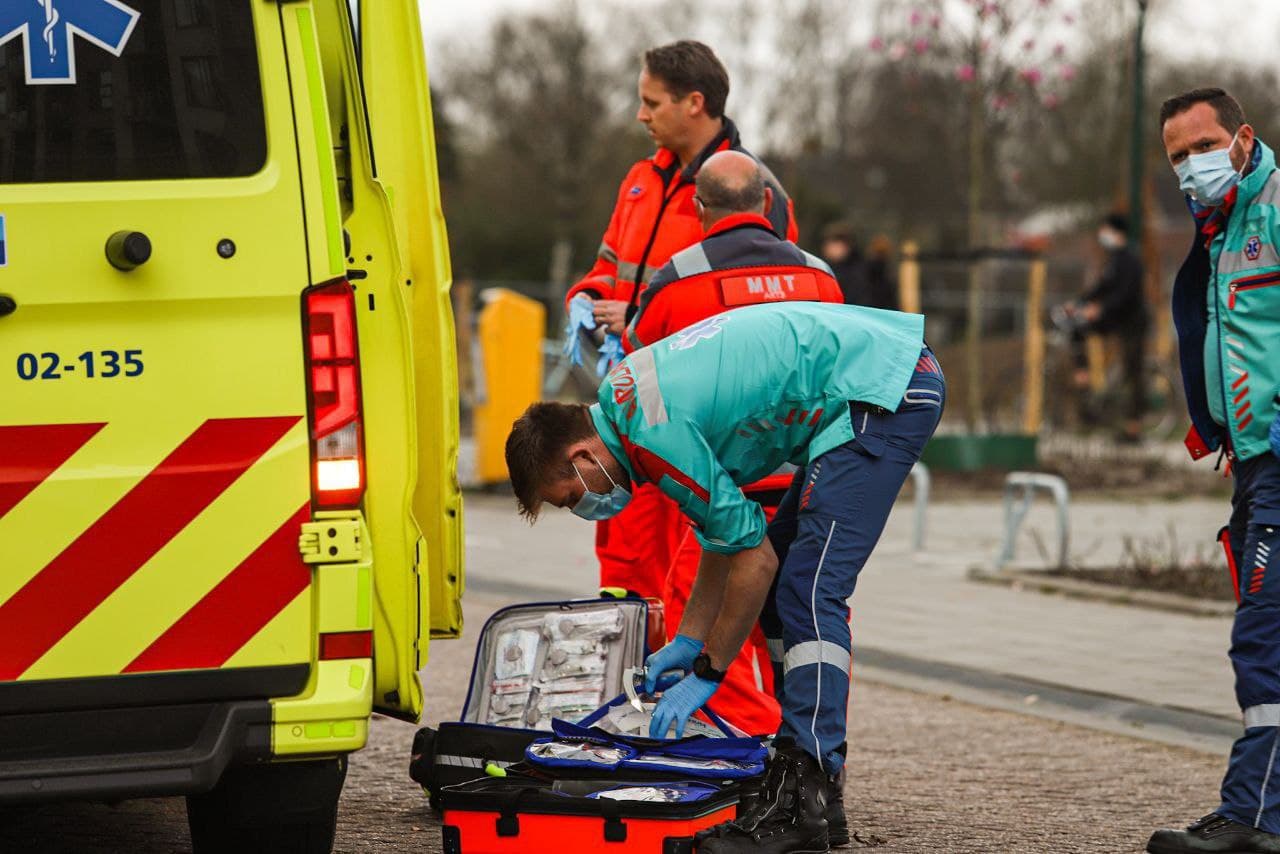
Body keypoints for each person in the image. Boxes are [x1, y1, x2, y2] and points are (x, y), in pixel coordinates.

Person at [506, 303, 944, 853]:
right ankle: (814, 792)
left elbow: (752, 562)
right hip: (867, 384)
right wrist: (689, 641)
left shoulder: (652, 434)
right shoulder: (630, 407)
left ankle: (804, 793)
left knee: (807, 590)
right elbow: (724, 534)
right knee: (786, 594)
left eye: (572, 498)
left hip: (884, 390)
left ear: (582, 456)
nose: (585, 508)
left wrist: (709, 671)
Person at [563, 40, 798, 603]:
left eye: (652, 103)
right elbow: (610, 264)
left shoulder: (749, 192)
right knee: (624, 561)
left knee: (688, 570)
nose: (641, 115)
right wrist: (587, 298)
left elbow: (759, 310)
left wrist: (640, 315)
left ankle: (683, 680)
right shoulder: (640, 180)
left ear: (694, 103)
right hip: (629, 404)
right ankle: (633, 675)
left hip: (698, 417)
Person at [621, 150, 843, 741]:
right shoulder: (819, 276)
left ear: (697, 210)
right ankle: (809, 756)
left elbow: (641, 380)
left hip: (726, 492)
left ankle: (743, 759)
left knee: (715, 624)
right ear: (767, 203)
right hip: (809, 488)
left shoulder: (675, 280)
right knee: (806, 630)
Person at [1146, 88, 1280, 854]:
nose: (1190, 166)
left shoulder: (1272, 208)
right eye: (1176, 157)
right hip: (1254, 463)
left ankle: (1254, 819)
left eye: (1202, 146)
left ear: (1242, 138)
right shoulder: (1221, 227)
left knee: (1265, 636)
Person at [1059, 213, 1150, 442]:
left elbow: (1124, 294)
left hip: (1132, 322)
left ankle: (1134, 428)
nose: (1102, 236)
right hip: (1115, 318)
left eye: (1105, 230)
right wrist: (1079, 304)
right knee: (1077, 328)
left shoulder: (1130, 261)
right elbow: (1101, 287)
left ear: (1116, 232)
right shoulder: (1113, 261)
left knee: (1133, 371)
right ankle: (1085, 381)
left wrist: (1100, 309)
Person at [819, 222, 898, 311]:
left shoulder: (863, 269)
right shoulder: (825, 269)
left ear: (845, 245)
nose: (829, 248)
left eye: (834, 244)